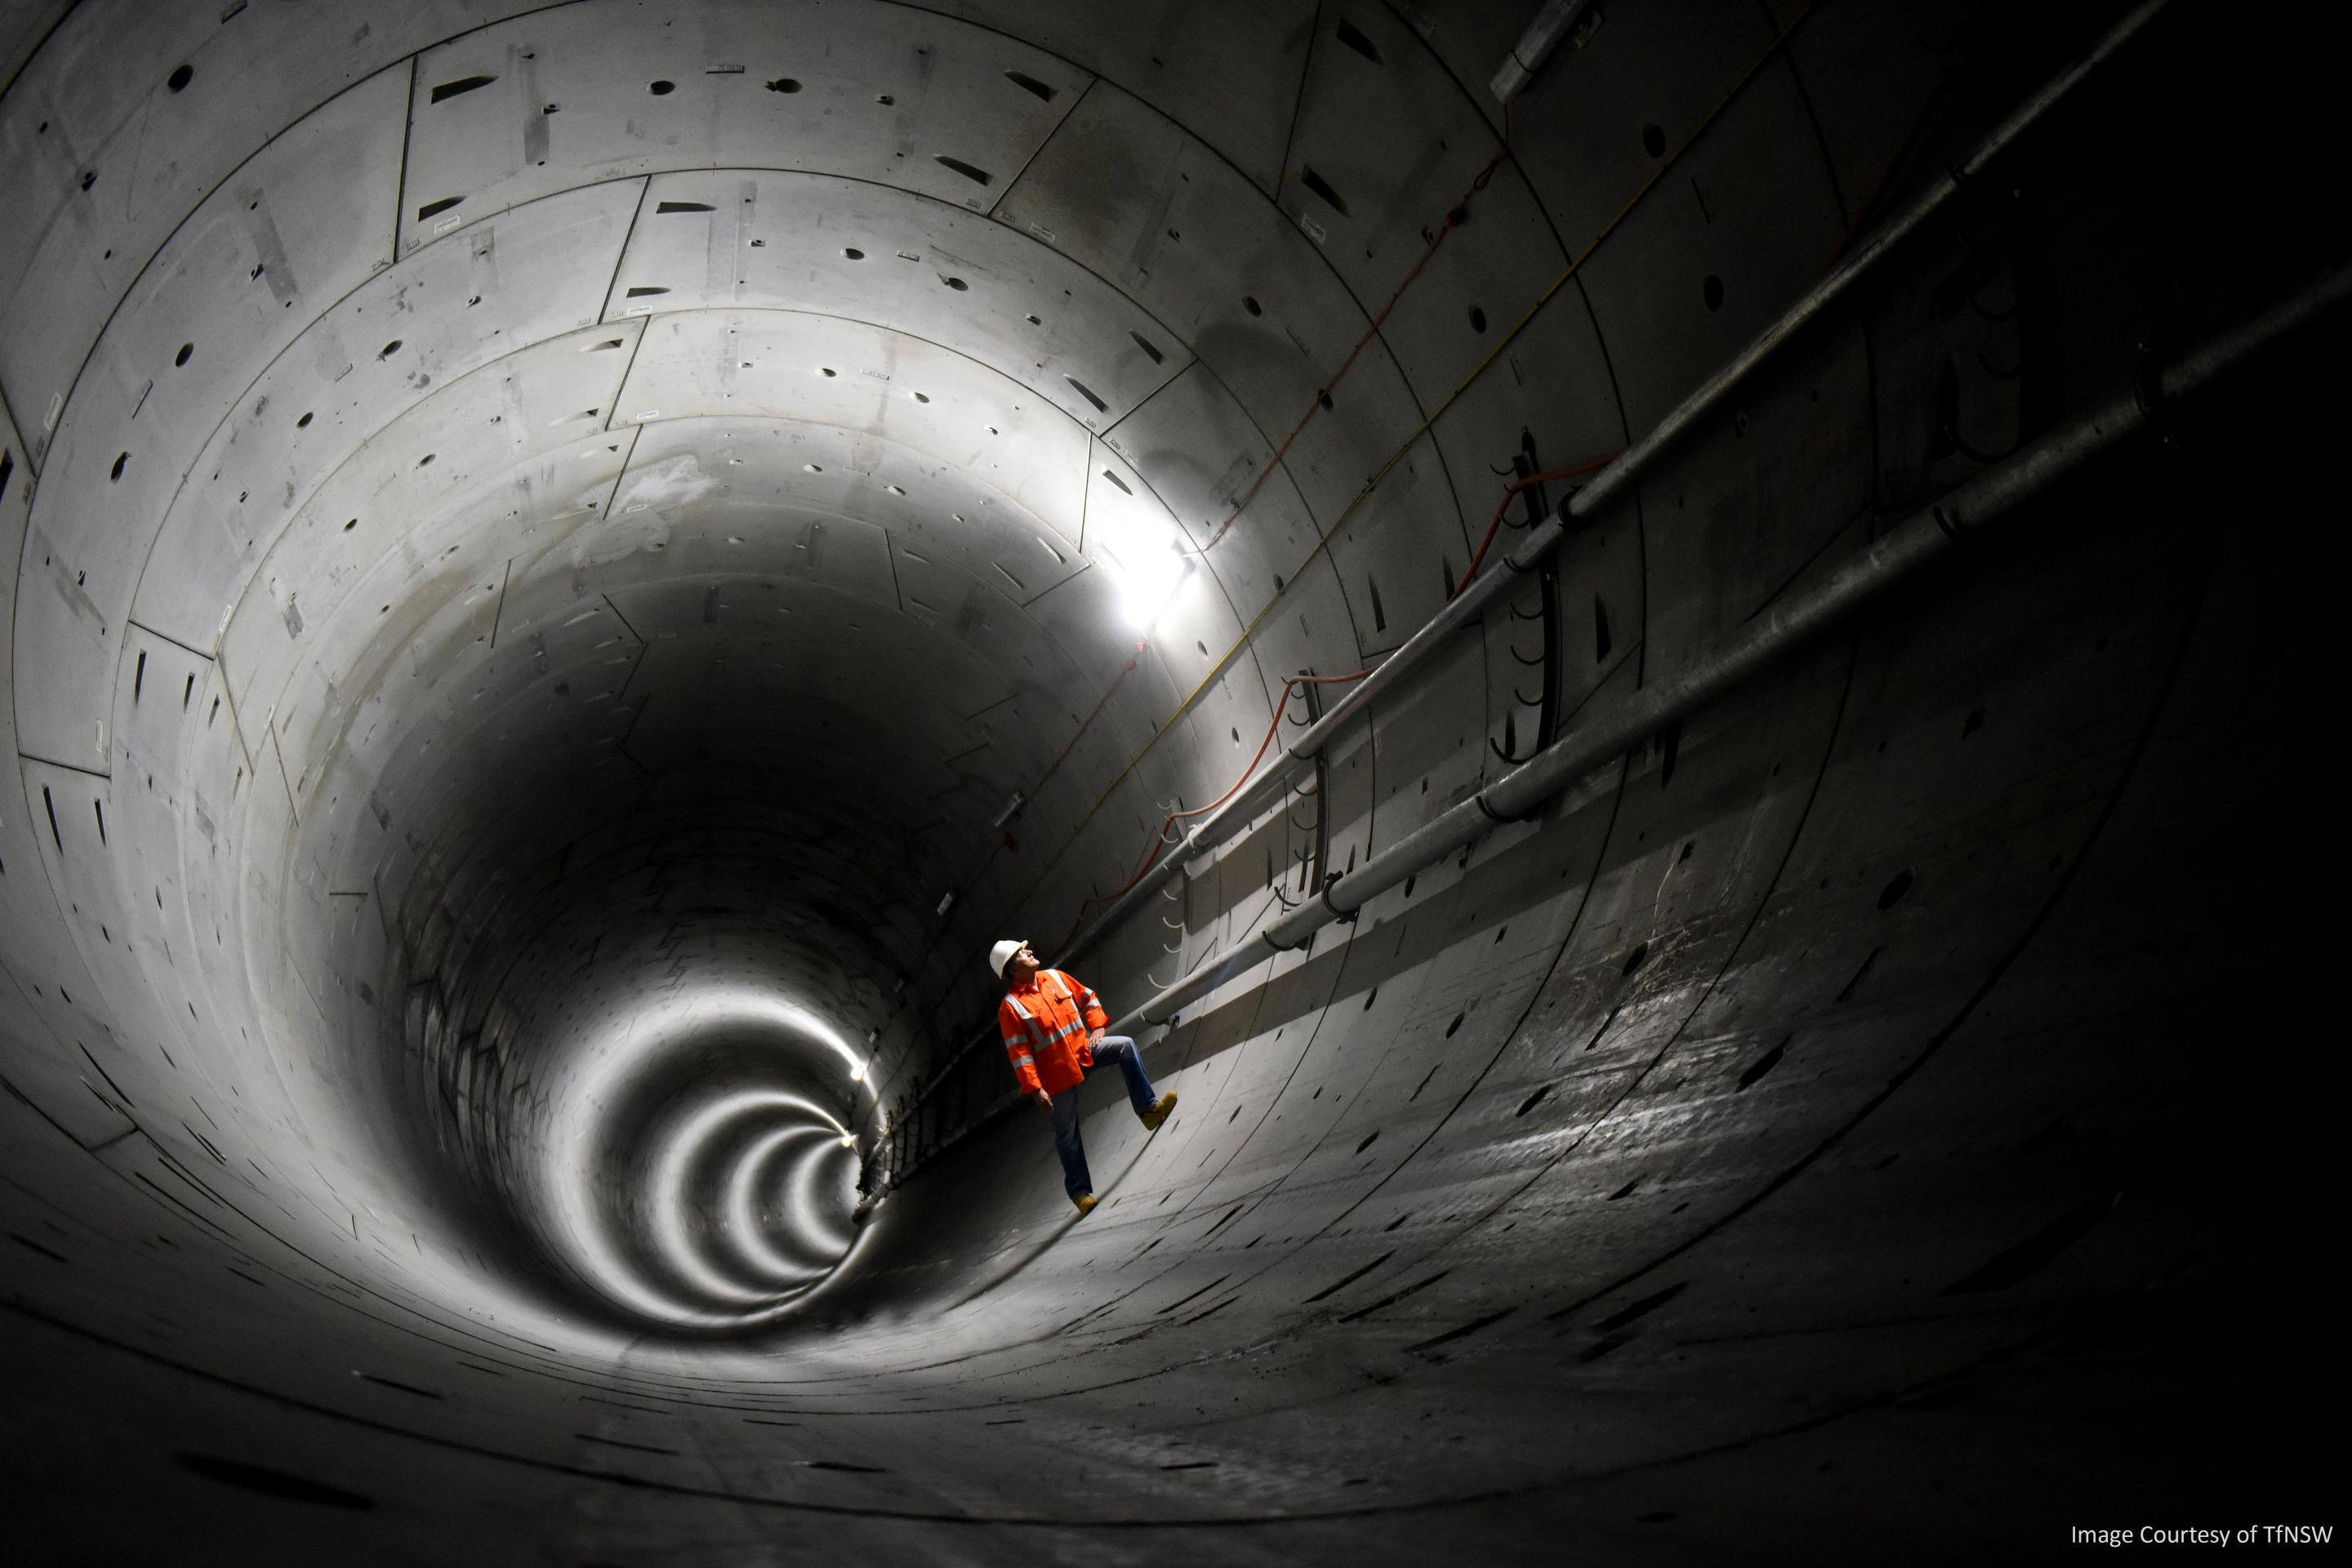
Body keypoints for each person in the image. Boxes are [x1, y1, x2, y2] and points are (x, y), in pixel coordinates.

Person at [990, 939, 1176, 1215]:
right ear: (1014, 966)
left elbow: (1087, 997)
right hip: (1055, 1075)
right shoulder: (1011, 1008)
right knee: (1066, 1132)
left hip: (1083, 1051)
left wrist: (1097, 1026)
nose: (1030, 952)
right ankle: (1080, 1193)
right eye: (1023, 952)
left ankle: (1148, 1109)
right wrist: (1035, 1088)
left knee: (1124, 1046)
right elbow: (1020, 1053)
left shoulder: (1054, 977)